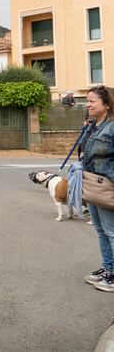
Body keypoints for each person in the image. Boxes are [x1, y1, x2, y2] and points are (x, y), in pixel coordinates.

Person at [79, 85, 114, 292]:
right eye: (87, 100)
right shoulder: (93, 125)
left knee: (111, 231)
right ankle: (109, 268)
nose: (88, 104)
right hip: (92, 185)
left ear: (107, 104)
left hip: (107, 185)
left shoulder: (112, 126)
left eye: (92, 101)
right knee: (101, 230)